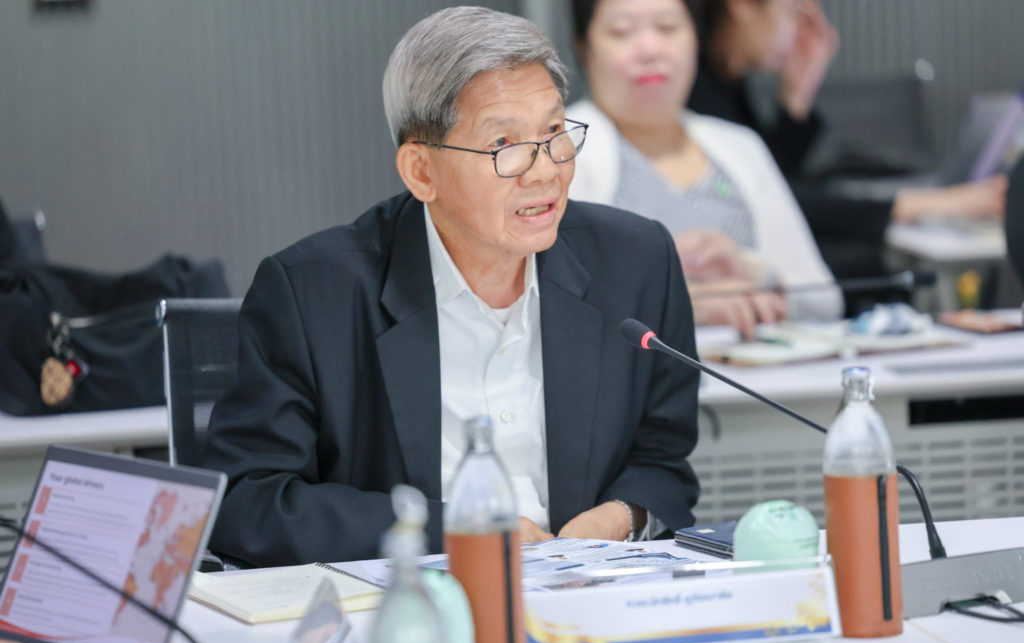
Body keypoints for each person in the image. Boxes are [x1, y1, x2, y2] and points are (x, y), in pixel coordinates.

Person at [200, 6, 700, 567]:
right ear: (421, 171)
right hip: (412, 597)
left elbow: (663, 458)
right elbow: (248, 500)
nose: (545, 171)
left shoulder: (637, 262)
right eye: (504, 144)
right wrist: (457, 534)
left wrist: (619, 518)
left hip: (589, 589)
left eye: (554, 132)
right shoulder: (312, 294)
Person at [685, 0, 1007, 303]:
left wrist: (798, 91)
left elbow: (772, 179)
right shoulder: (694, 92)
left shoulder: (728, 84)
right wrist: (921, 204)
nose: (797, 32)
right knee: (863, 264)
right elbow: (780, 197)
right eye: (792, 11)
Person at [568, 0, 842, 339]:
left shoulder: (740, 145)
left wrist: (753, 270)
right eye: (622, 32)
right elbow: (551, 305)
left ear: (695, 39)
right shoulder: (561, 151)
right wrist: (678, 303)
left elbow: (825, 299)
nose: (650, 49)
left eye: (668, 27)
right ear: (584, 48)